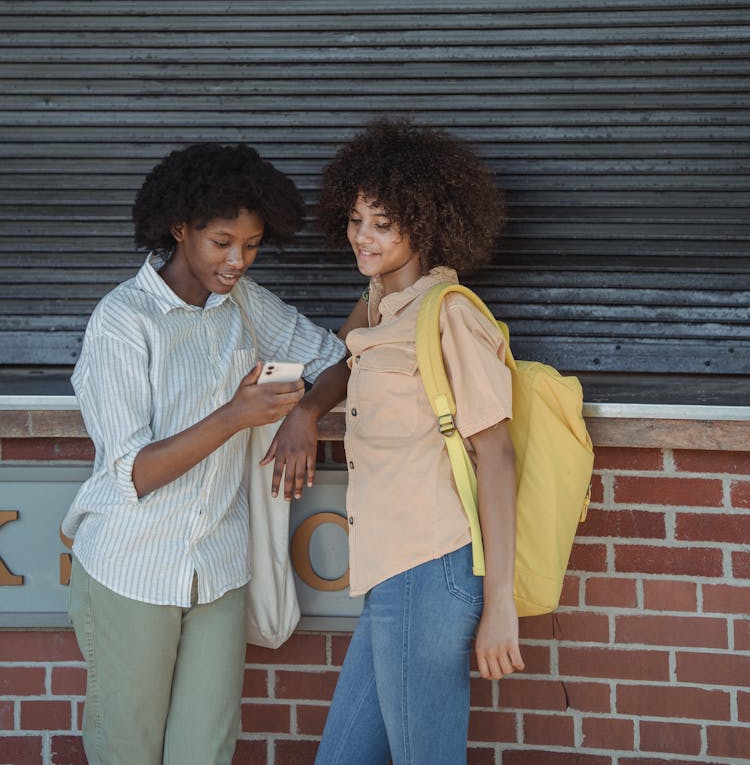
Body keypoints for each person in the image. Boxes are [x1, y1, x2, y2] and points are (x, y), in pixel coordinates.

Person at [62, 142, 349, 765]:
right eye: (222, 242)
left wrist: (304, 413)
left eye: (251, 244)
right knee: (128, 751)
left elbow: (335, 355)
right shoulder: (122, 321)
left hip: (218, 567)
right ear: (179, 228)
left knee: (206, 751)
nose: (238, 260)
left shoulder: (242, 305)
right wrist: (235, 417)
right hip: (131, 568)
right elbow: (132, 472)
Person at [313, 116, 525, 765]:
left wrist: (500, 605)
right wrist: (302, 414)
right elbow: (347, 358)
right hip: (388, 575)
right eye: (355, 219)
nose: (362, 236)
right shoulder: (380, 304)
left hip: (433, 568)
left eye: (382, 223)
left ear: (423, 224)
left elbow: (496, 455)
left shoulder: (449, 314)